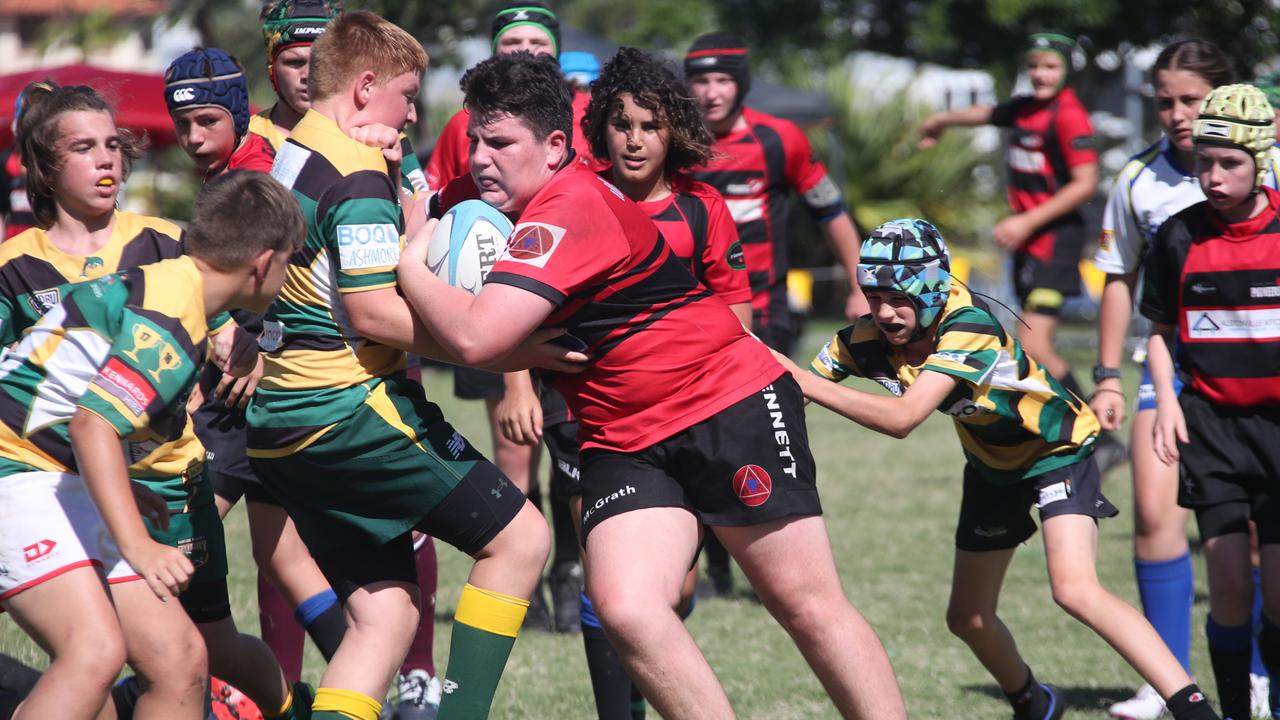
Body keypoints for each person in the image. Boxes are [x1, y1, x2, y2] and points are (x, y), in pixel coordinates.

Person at [401, 50, 906, 720]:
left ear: (555, 147)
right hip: (621, 433)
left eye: (500, 143)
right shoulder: (490, 188)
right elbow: (417, 194)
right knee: (628, 609)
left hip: (724, 405)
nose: (482, 159)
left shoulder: (569, 208)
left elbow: (474, 340)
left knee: (805, 605)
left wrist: (412, 263)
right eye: (475, 142)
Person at [249, 13, 579, 720]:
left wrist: (396, 181)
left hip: (280, 422)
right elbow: (370, 313)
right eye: (406, 97)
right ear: (366, 87)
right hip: (344, 409)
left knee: (387, 618)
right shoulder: (357, 174)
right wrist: (490, 343)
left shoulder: (296, 147)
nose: (410, 114)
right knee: (522, 539)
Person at [779, 217, 1220, 720]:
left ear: (933, 286)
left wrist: (797, 379)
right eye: (873, 297)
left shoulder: (968, 326)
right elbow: (785, 392)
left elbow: (903, 418)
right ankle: (1035, 702)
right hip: (991, 466)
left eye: (898, 297)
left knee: (1074, 589)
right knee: (967, 618)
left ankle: (1192, 708)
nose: (884, 312)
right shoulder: (864, 339)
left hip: (1057, 450)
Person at [0, 82, 310, 720]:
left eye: (113, 145)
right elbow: (91, 425)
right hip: (20, 473)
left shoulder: (168, 268)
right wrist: (138, 545)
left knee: (181, 659)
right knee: (93, 653)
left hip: (68, 477)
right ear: (261, 264)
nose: (107, 159)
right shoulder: (169, 323)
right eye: (85, 148)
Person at [543, 45, 749, 719]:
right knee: (612, 582)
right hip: (595, 421)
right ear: (600, 124)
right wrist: (525, 380)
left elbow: (737, 320)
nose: (634, 140)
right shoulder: (576, 198)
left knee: (672, 592)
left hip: (693, 419)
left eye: (650, 125)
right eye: (622, 123)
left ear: (675, 131)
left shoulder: (701, 209)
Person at [1091, 40, 1279, 720]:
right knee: (1162, 520)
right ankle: (1171, 680)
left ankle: (1261, 677)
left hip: (1267, 402)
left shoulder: (1269, 176)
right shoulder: (1148, 194)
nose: (1176, 114)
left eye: (1189, 100)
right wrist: (1112, 376)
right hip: (1188, 387)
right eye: (1164, 101)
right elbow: (1132, 295)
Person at [683, 31, 868, 595]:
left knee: (768, 432)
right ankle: (712, 565)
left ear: (741, 83)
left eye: (723, 79)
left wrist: (861, 282)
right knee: (699, 434)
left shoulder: (780, 139)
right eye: (701, 80)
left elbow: (830, 210)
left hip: (768, 311)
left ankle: (785, 562)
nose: (712, 92)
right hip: (695, 317)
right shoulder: (677, 141)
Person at [425, 0, 588, 633]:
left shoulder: (582, 121)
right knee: (517, 450)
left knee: (576, 458)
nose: (524, 51)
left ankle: (570, 572)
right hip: (492, 311)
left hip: (566, 317)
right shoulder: (465, 133)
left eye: (536, 43)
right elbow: (441, 206)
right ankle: (526, 588)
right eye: (511, 41)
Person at [917, 33, 1126, 473]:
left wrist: (1027, 221)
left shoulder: (1068, 116)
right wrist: (940, 120)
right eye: (1034, 66)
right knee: (1028, 339)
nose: (1041, 74)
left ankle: (1100, 434)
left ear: (1065, 70)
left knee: (1034, 341)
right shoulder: (1025, 108)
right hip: (1030, 244)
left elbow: (1085, 183)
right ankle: (1080, 429)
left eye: (1050, 66)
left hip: (1056, 242)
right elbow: (984, 113)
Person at [1142, 83, 1280, 720]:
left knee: (1278, 598)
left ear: (1259, 162)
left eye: (1230, 163)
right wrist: (1168, 403)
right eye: (1204, 161)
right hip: (1212, 430)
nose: (1214, 176)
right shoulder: (1177, 237)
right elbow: (1162, 335)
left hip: (1277, 431)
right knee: (1226, 588)